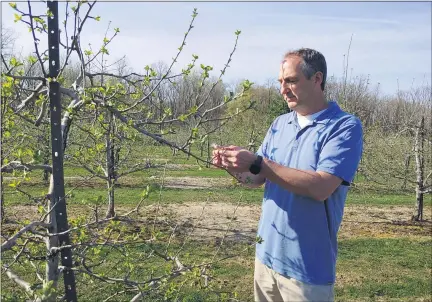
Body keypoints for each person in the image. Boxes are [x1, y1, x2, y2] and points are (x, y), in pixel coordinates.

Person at [212, 48, 363, 302]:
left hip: (306, 270)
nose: (283, 90)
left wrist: (258, 162)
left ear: (317, 79)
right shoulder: (279, 124)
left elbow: (321, 187)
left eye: (291, 81)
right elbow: (256, 178)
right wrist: (232, 166)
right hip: (266, 258)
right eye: (280, 82)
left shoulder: (344, 126)